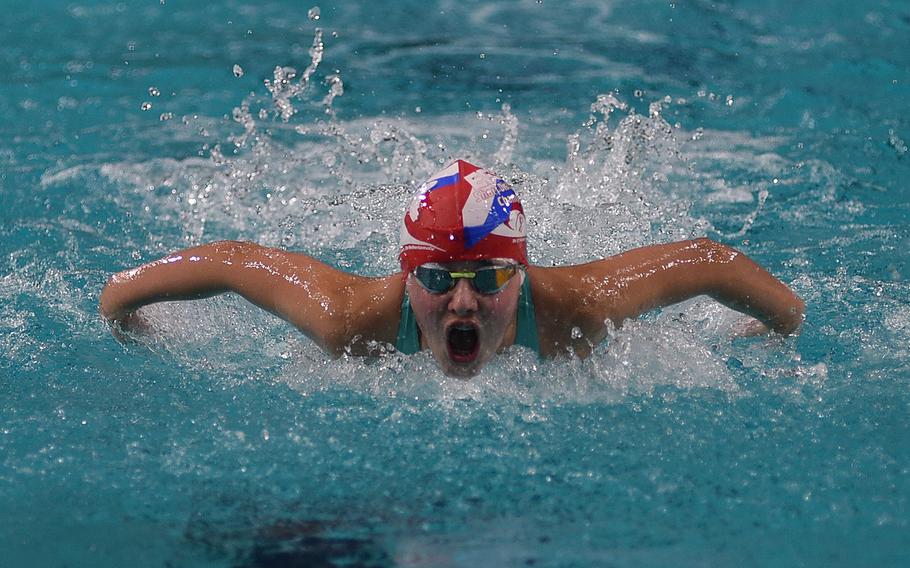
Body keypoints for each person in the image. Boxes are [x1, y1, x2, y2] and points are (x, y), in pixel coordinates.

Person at [100, 159, 804, 378]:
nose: (462, 302)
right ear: (407, 279)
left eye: (491, 278)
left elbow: (710, 261)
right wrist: (123, 312)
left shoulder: (580, 310)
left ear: (521, 277)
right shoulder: (351, 320)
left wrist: (779, 328)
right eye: (438, 278)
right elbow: (230, 261)